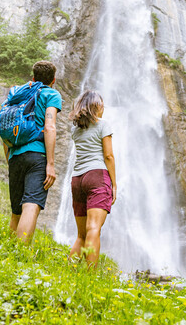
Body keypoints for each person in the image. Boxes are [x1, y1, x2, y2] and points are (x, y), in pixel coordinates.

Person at [3, 61, 61, 243]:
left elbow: (4, 126)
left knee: (16, 212)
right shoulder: (51, 94)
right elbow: (49, 127)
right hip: (37, 156)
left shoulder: (18, 95)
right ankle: (20, 256)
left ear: (33, 78)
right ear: (53, 80)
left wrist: (9, 158)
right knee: (31, 206)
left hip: (15, 155)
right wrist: (50, 164)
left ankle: (8, 254)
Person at [66, 90, 116, 267]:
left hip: (77, 180)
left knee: (82, 234)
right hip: (97, 176)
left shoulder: (75, 129)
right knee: (94, 228)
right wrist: (114, 185)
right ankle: (90, 275)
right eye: (101, 104)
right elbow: (108, 155)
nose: (104, 108)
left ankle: (69, 270)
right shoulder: (103, 124)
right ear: (96, 106)